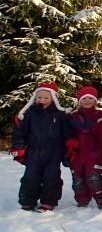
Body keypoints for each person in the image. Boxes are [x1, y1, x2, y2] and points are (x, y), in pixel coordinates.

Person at [11, 82, 73, 211]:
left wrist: (70, 145)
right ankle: (28, 200)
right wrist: (18, 146)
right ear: (35, 98)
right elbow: (20, 132)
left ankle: (49, 201)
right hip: (34, 151)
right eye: (39, 97)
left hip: (54, 152)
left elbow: (67, 132)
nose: (42, 100)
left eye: (46, 97)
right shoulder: (30, 113)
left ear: (53, 98)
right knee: (31, 176)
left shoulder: (59, 115)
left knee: (51, 176)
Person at [68, 86, 102, 208]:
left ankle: (100, 197)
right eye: (84, 99)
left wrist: (90, 126)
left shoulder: (100, 115)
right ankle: (82, 199)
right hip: (76, 154)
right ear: (79, 101)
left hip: (93, 153)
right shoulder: (73, 116)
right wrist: (70, 142)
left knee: (93, 177)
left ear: (95, 101)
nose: (87, 101)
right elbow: (67, 132)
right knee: (78, 179)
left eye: (90, 98)